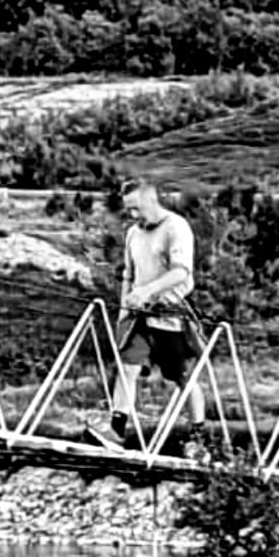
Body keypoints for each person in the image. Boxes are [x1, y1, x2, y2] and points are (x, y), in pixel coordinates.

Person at [86, 177, 206, 450]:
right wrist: (124, 308)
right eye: (128, 209)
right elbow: (128, 275)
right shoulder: (132, 234)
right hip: (138, 315)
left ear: (152, 200)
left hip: (170, 313)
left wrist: (149, 291)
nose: (132, 215)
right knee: (127, 367)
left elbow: (181, 272)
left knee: (180, 376)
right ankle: (116, 432)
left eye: (137, 208)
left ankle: (198, 437)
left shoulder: (177, 228)